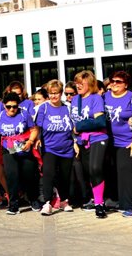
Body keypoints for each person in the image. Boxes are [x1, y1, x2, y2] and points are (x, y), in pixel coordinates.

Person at [71, 70, 109, 219]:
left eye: (82, 82)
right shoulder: (75, 100)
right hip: (82, 140)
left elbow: (100, 121)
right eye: (76, 82)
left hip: (98, 137)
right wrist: (75, 137)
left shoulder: (96, 99)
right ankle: (97, 199)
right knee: (89, 172)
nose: (78, 85)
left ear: (90, 83)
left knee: (95, 168)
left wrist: (80, 126)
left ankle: (99, 204)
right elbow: (73, 122)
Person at [0, 92, 40, 214]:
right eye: (9, 106)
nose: (12, 109)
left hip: (24, 147)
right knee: (12, 176)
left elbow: (34, 129)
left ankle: (33, 199)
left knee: (29, 174)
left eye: (15, 106)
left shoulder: (24, 114)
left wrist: (30, 141)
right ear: (4, 106)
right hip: (8, 148)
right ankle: (13, 204)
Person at [103, 71, 132, 217]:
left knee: (126, 171)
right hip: (109, 141)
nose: (114, 84)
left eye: (118, 82)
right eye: (112, 81)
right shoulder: (104, 97)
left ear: (126, 84)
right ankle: (118, 201)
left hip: (127, 142)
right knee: (112, 171)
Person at [35, 79, 75, 215]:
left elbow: (73, 127)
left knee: (65, 176)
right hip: (49, 148)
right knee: (48, 174)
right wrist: (37, 139)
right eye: (51, 93)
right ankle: (47, 203)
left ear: (61, 93)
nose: (53, 96)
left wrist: (75, 142)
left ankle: (64, 201)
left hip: (66, 147)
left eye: (56, 93)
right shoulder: (43, 108)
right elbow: (37, 126)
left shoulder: (67, 107)